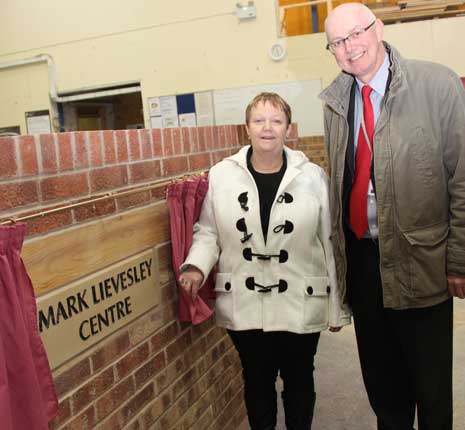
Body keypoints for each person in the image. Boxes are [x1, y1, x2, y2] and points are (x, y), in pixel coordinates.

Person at [320, 3, 465, 430]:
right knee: (384, 389)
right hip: (363, 263)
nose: (349, 47)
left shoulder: (436, 84)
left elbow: (462, 177)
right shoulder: (335, 100)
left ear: (378, 28)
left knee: (432, 389)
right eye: (337, 42)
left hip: (422, 259)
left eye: (356, 34)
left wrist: (458, 257)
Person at [178, 92, 350, 430]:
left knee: (300, 378)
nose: (267, 128)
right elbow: (208, 231)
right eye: (259, 120)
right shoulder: (222, 175)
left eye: (276, 120)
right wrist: (196, 266)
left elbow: (330, 241)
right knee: (256, 381)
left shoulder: (313, 176)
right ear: (247, 128)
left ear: (288, 128)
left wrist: (337, 306)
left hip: (301, 299)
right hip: (245, 300)